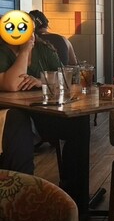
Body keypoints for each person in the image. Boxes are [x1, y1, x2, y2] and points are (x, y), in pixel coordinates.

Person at [0, 31, 90, 210]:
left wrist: (40, 82)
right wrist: (25, 51)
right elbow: (11, 84)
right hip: (11, 112)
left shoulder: (44, 49)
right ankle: (21, 201)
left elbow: (64, 80)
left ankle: (75, 196)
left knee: (78, 122)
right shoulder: (2, 51)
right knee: (18, 122)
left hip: (42, 110)